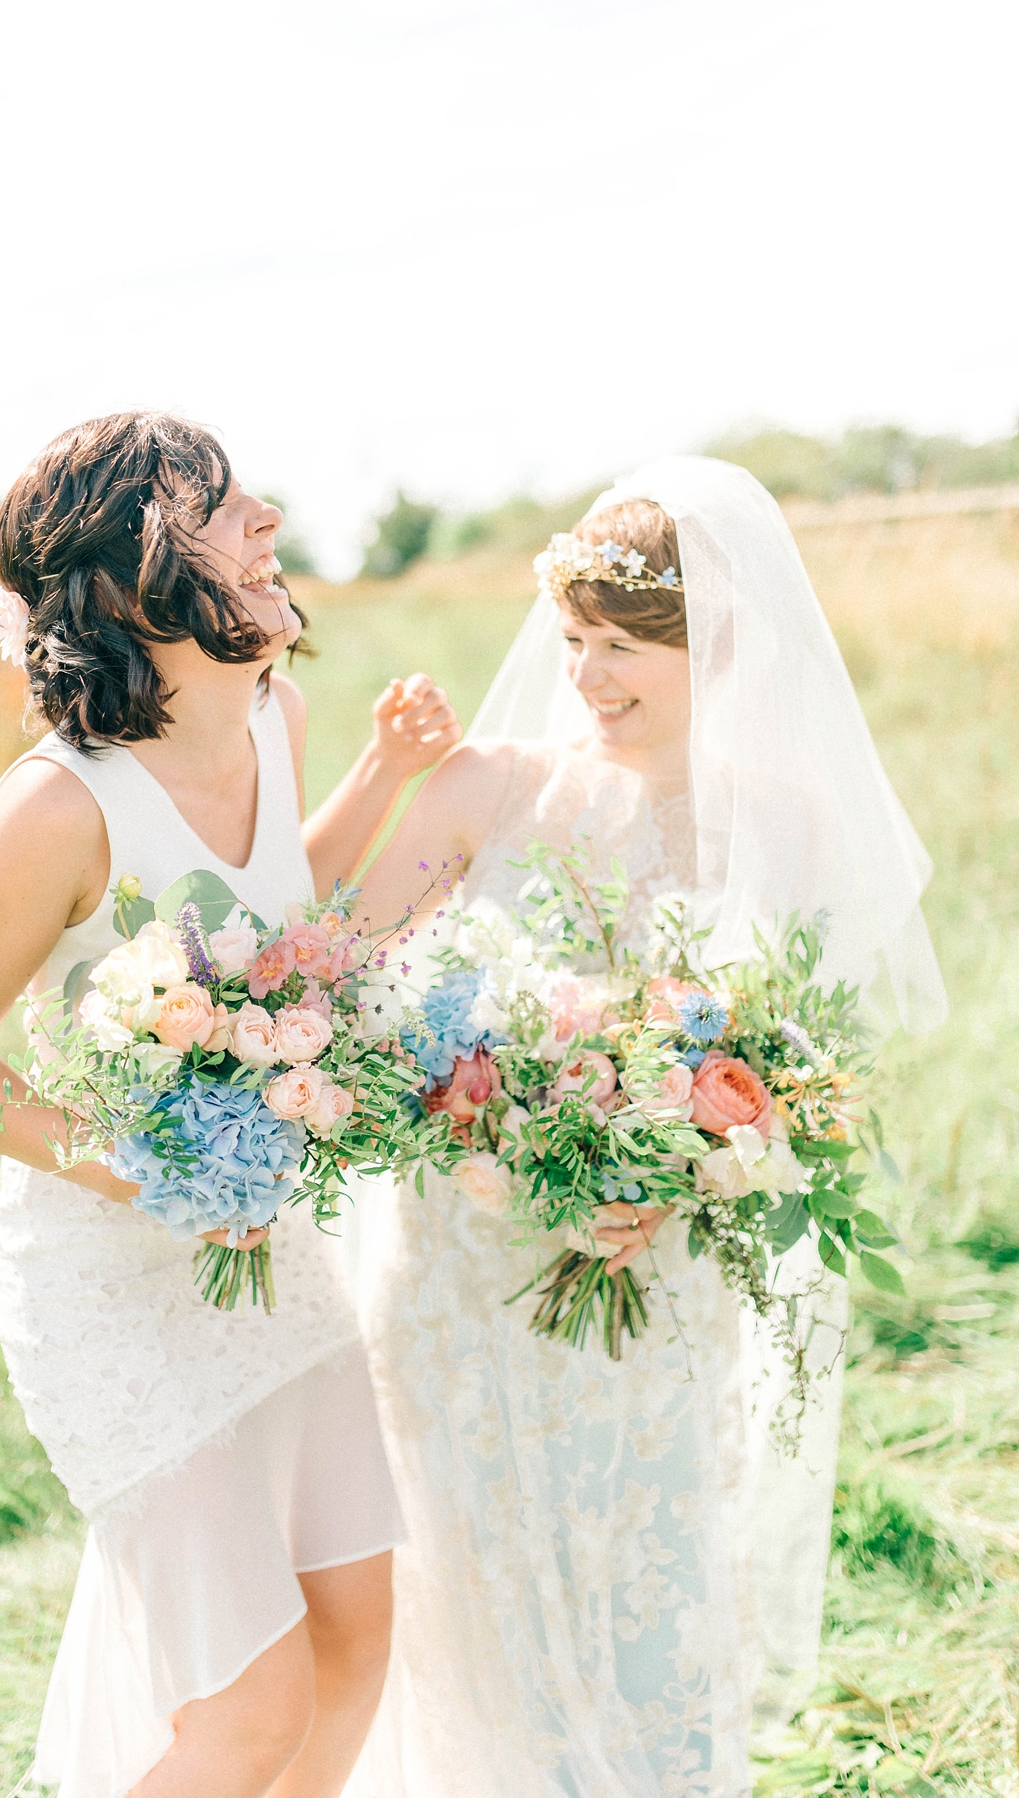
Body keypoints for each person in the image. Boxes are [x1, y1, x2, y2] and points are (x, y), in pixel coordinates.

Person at [346, 456, 946, 1797]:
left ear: (718, 647)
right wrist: (465, 1105)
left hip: (652, 1276)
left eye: (626, 647)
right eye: (573, 641)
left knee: (648, 1587)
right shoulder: (484, 791)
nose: (589, 677)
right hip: (456, 1280)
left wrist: (688, 1175)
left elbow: (804, 1085)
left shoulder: (781, 830)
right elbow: (337, 988)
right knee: (475, 1604)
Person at [0, 411, 461, 1798]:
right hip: (112, 1288)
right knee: (251, 1709)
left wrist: (385, 778)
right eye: (221, 504)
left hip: (267, 1259)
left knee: (359, 1633)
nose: (266, 519)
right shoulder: (57, 811)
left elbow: (267, 927)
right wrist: (145, 1174)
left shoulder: (280, 714)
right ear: (138, 576)